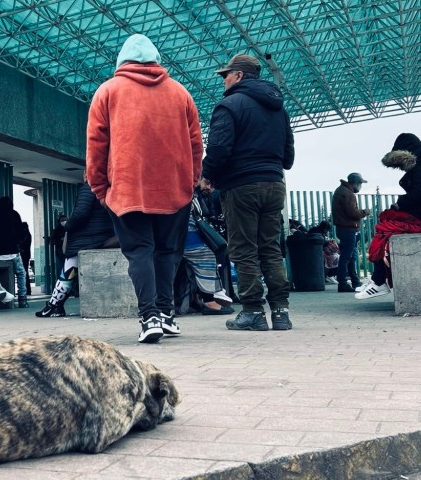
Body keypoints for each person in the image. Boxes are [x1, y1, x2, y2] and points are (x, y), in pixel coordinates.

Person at [86, 33, 203, 343]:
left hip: (127, 188)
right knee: (168, 252)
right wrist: (191, 182)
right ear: (155, 59)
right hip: (174, 190)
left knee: (140, 252)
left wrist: (100, 188)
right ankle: (166, 314)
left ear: (121, 61)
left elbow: (96, 145)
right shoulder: (180, 94)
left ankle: (149, 317)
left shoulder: (108, 91)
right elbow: (196, 144)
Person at [200, 53, 295, 332]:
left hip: (241, 186)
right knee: (270, 249)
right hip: (274, 184)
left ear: (239, 75)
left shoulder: (229, 106)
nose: (223, 80)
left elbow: (218, 149)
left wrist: (207, 176)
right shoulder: (279, 109)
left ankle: (253, 311)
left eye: (226, 75)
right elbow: (288, 156)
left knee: (243, 250)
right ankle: (280, 312)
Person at [356, 133, 421, 299]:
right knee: (386, 226)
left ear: (407, 156)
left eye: (400, 164)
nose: (400, 168)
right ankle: (378, 280)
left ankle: (379, 282)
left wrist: (401, 203)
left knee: (387, 229)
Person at [36, 182, 116, 317]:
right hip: (102, 235)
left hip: (86, 238)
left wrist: (67, 225)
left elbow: (80, 213)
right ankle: (54, 305)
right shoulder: (108, 187)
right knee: (69, 272)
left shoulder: (89, 187)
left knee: (68, 272)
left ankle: (53, 306)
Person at [0, 196, 29, 308]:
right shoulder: (14, 215)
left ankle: (0, 298)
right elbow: (20, 232)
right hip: (13, 252)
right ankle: (22, 299)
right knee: (21, 273)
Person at [332, 172, 370, 293]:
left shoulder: (341, 190)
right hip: (348, 229)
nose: (361, 187)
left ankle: (355, 281)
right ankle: (343, 283)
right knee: (347, 257)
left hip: (343, 228)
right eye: (360, 184)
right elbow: (352, 213)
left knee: (351, 256)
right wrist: (364, 212)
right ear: (356, 183)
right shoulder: (348, 194)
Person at [50, 213, 68, 280]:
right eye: (62, 220)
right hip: (60, 253)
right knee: (62, 270)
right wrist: (61, 240)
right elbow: (52, 241)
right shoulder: (57, 230)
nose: (64, 221)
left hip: (68, 253)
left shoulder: (69, 228)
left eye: (65, 220)